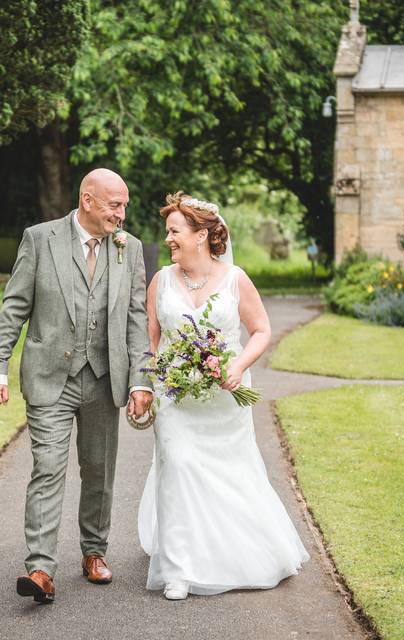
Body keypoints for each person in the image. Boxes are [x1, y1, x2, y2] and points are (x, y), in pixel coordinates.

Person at [0, 168, 153, 604]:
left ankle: (94, 552)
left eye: (125, 204)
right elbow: (15, 305)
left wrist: (140, 380)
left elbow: (136, 321)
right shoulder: (40, 239)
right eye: (115, 204)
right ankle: (40, 568)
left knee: (99, 470)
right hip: (49, 378)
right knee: (48, 468)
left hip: (102, 378)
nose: (122, 212)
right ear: (88, 200)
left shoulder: (128, 249)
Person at [138, 192, 309, 600]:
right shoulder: (161, 280)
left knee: (231, 474)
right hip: (175, 398)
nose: (169, 239)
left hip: (224, 398)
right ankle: (179, 568)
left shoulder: (235, 279)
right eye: (168, 233)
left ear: (200, 235)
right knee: (177, 465)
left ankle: (235, 550)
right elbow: (150, 340)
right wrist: (145, 384)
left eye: (175, 232)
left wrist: (237, 366)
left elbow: (262, 330)